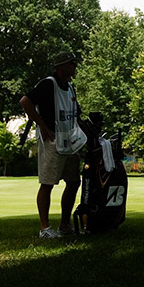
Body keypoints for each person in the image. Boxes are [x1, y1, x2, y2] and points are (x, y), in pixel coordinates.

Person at [19, 51, 87, 238]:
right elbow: (25, 101)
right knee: (47, 184)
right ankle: (45, 228)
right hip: (52, 140)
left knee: (73, 182)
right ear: (61, 66)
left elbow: (76, 115)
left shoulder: (70, 88)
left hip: (70, 142)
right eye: (71, 63)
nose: (74, 67)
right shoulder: (48, 84)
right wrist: (42, 125)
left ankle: (65, 225)